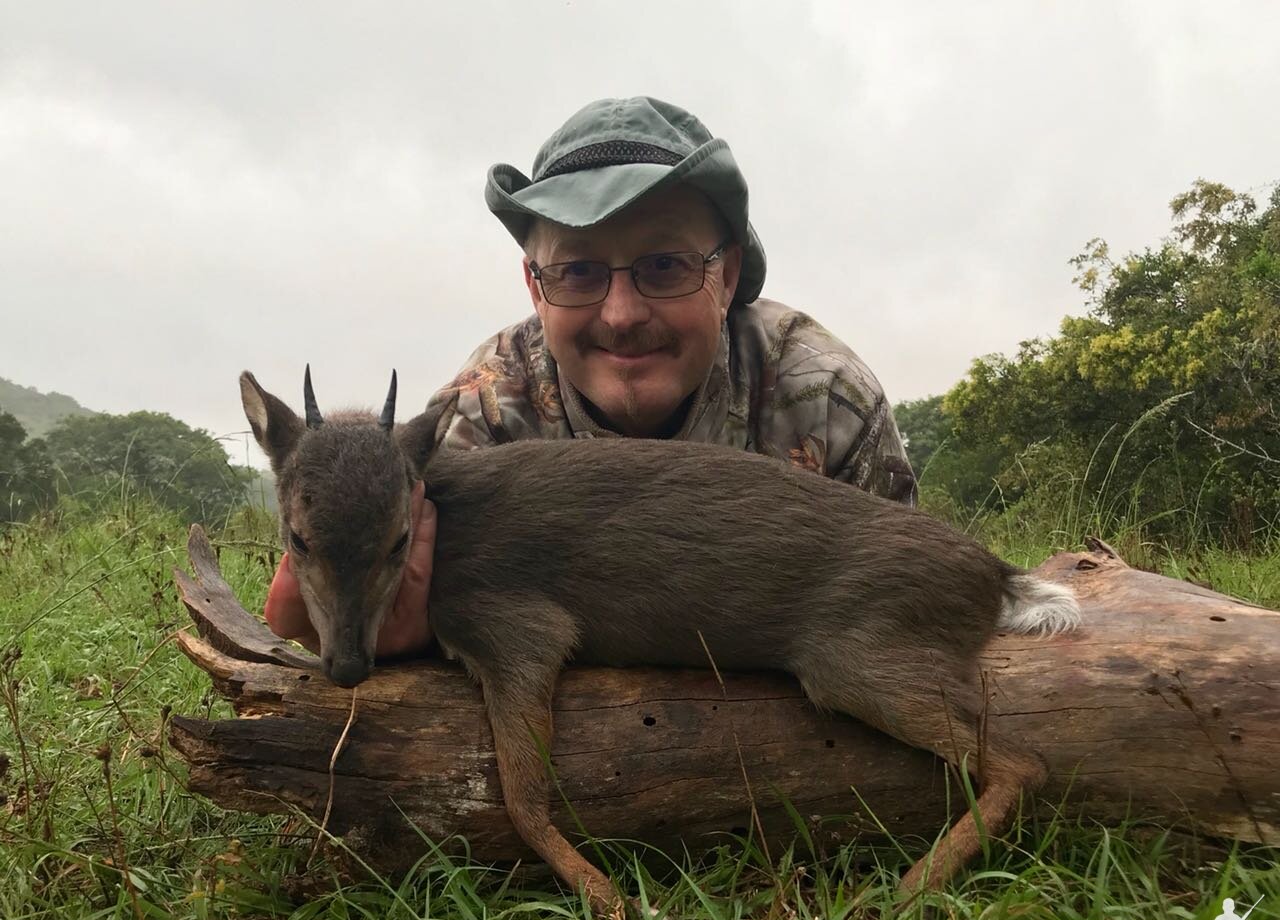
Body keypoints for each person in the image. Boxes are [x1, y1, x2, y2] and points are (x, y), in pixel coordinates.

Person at [264, 96, 917, 655]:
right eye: (578, 273)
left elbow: (901, 606)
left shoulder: (826, 400)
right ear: (535, 288)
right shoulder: (482, 416)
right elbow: (350, 607)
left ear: (729, 275)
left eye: (666, 266)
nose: (623, 314)